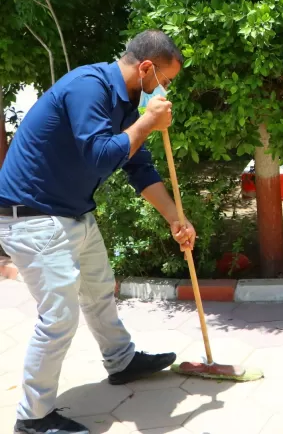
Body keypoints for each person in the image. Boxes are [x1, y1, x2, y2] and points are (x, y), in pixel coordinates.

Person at [0, 29, 197, 434]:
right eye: (165, 79)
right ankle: (32, 418)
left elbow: (137, 166)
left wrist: (177, 219)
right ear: (146, 68)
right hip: (32, 217)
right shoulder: (89, 88)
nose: (165, 89)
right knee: (59, 316)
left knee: (98, 289)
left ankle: (121, 361)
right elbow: (99, 154)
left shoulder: (126, 103)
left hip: (71, 212)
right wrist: (147, 121)